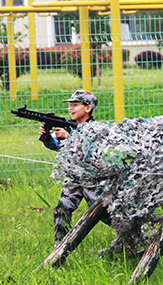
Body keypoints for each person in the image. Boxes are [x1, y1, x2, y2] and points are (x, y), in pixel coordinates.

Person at [39, 90, 111, 247]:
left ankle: (134, 237)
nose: (71, 108)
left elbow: (93, 149)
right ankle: (60, 247)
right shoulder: (69, 127)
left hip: (93, 179)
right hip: (74, 178)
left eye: (75, 105)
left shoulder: (97, 129)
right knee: (62, 210)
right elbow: (58, 145)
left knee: (105, 214)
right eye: (70, 105)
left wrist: (70, 137)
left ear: (88, 108)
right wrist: (46, 138)